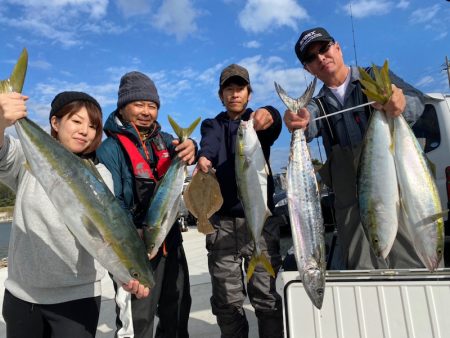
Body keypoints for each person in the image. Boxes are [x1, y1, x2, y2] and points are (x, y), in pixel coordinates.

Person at [0, 91, 148, 338]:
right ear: (55, 123)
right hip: (22, 296)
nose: (85, 131)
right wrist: (2, 121)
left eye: (92, 125)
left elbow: (107, 234)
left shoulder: (101, 175)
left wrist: (125, 275)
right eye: (76, 121)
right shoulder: (28, 157)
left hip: (77, 300)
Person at [283, 27, 427, 270]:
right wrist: (299, 121)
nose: (320, 58)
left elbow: (418, 103)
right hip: (351, 214)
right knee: (364, 284)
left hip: (398, 199)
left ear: (337, 47)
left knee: (415, 273)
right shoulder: (317, 104)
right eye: (310, 57)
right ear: (307, 69)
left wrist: (401, 103)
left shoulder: (376, 77)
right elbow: (310, 122)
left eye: (324, 48)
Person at [97, 71, 194, 338]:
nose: (146, 111)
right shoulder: (109, 149)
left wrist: (192, 147)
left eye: (152, 106)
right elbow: (110, 204)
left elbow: (188, 153)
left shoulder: (165, 142)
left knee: (177, 308)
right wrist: (131, 235)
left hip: (170, 240)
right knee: (137, 321)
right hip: (133, 247)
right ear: (122, 106)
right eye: (139, 104)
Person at [196, 64, 284, 338]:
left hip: (259, 222)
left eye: (240, 89)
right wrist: (204, 157)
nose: (234, 94)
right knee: (226, 302)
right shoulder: (213, 125)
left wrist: (271, 113)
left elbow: (273, 122)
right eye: (229, 89)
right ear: (221, 95)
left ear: (249, 93)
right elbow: (208, 143)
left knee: (266, 297)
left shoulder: (255, 123)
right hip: (222, 224)